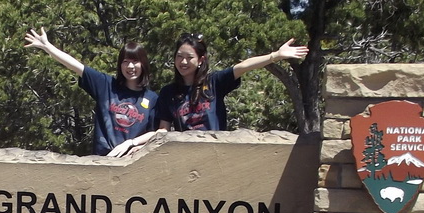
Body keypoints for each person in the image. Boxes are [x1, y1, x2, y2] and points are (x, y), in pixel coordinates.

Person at [114, 33, 308, 154]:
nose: (183, 62)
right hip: (185, 156)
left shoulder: (214, 83)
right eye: (179, 56)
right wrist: (136, 145)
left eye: (189, 57)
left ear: (200, 60)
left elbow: (244, 66)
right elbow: (162, 131)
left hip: (216, 153)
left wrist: (275, 56)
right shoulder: (168, 92)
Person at [24, 27, 159, 156]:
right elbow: (75, 65)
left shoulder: (152, 98)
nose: (130, 66)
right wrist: (47, 46)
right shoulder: (106, 85)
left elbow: (157, 132)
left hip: (133, 162)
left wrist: (131, 143)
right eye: (125, 61)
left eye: (135, 61)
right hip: (103, 159)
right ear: (120, 65)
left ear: (143, 64)